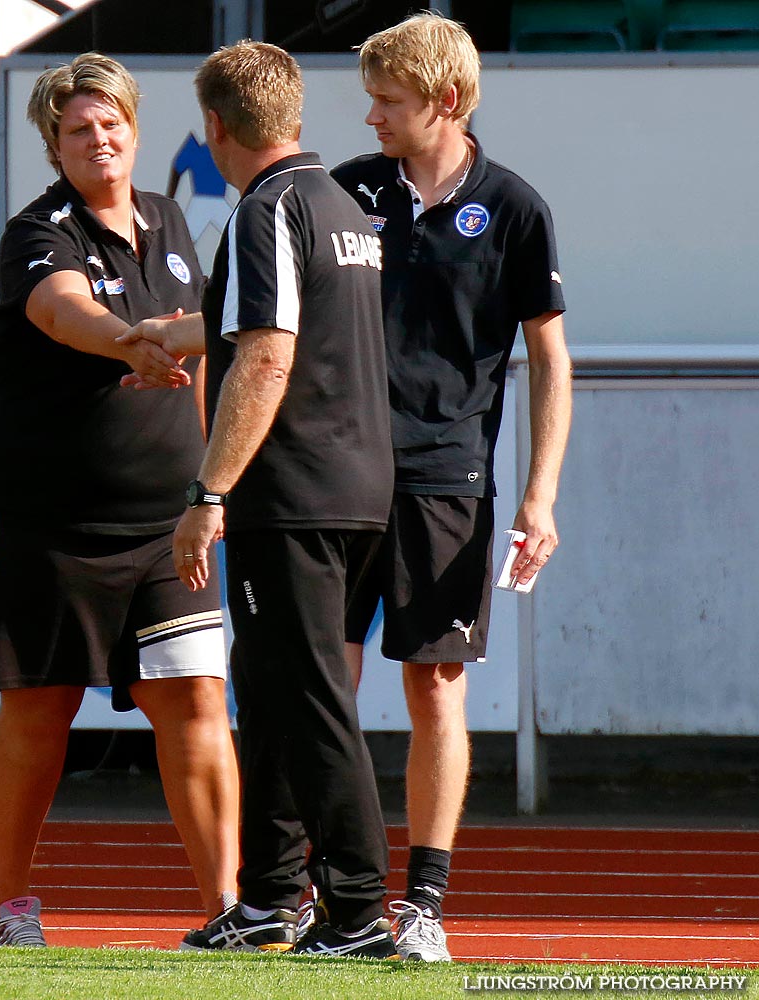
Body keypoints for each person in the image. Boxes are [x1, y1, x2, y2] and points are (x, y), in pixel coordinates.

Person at [121, 40, 397, 958]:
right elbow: (271, 323)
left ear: (212, 128)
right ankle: (272, 898)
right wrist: (171, 333)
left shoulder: (265, 210)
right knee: (272, 692)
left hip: (295, 492)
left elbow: (269, 354)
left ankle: (357, 912)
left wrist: (209, 491)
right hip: (358, 481)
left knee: (308, 697)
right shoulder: (340, 205)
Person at [0, 53, 240, 947]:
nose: (98, 139)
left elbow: (200, 356)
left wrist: (212, 484)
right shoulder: (36, 230)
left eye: (110, 122)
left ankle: (227, 911)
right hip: (51, 521)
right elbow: (60, 311)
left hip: (168, 524)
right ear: (54, 144)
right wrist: (126, 342)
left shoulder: (168, 219)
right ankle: (10, 908)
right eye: (77, 129)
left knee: (195, 699)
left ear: (133, 126)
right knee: (41, 707)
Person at [331, 12, 573, 962]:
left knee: (432, 685)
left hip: (446, 478)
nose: (372, 118)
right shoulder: (343, 192)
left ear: (447, 102)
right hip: (335, 469)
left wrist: (538, 494)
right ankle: (333, 892)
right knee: (326, 680)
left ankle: (421, 904)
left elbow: (550, 360)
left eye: (387, 102)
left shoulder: (514, 206)